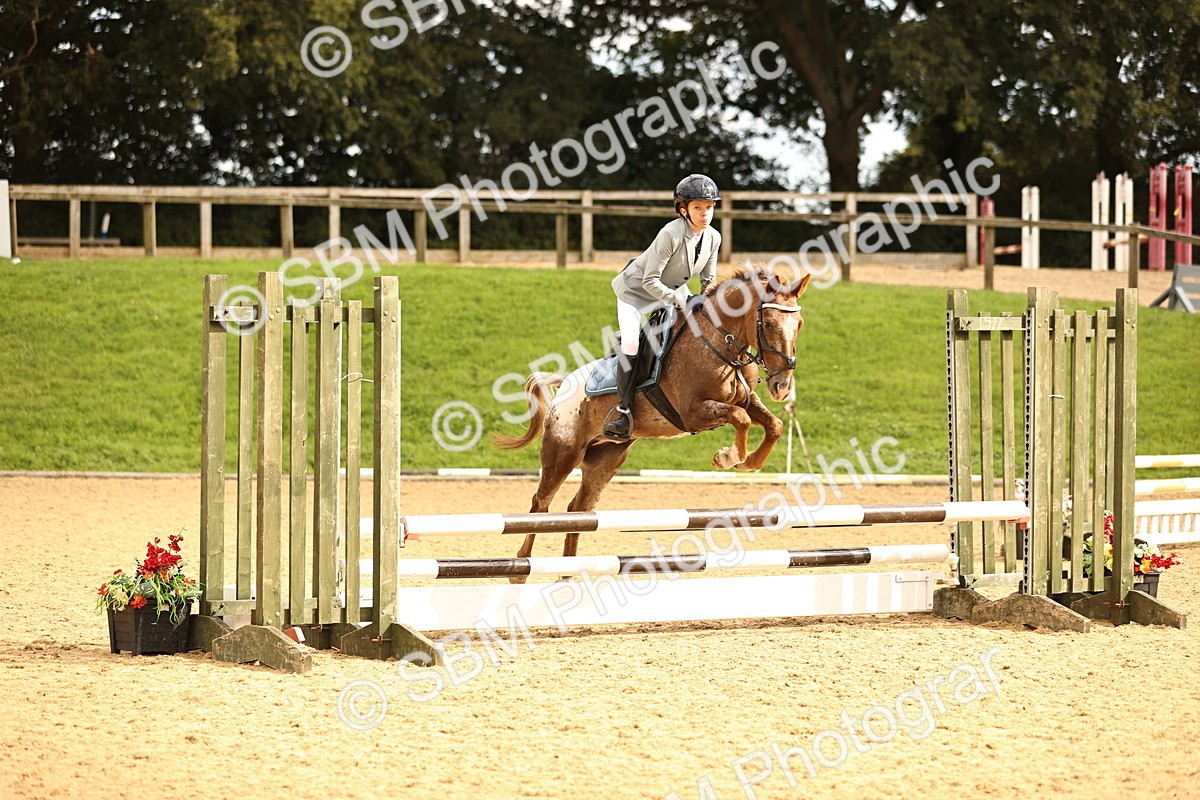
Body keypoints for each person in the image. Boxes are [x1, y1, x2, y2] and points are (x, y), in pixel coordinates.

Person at [604, 173, 722, 440]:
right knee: (632, 344)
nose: (705, 213)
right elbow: (649, 281)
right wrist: (684, 301)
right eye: (698, 207)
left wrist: (708, 302)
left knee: (691, 328)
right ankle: (622, 411)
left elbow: (709, 280)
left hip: (671, 289)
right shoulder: (670, 233)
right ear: (683, 210)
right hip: (635, 291)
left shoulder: (713, 237)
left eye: (709, 207)